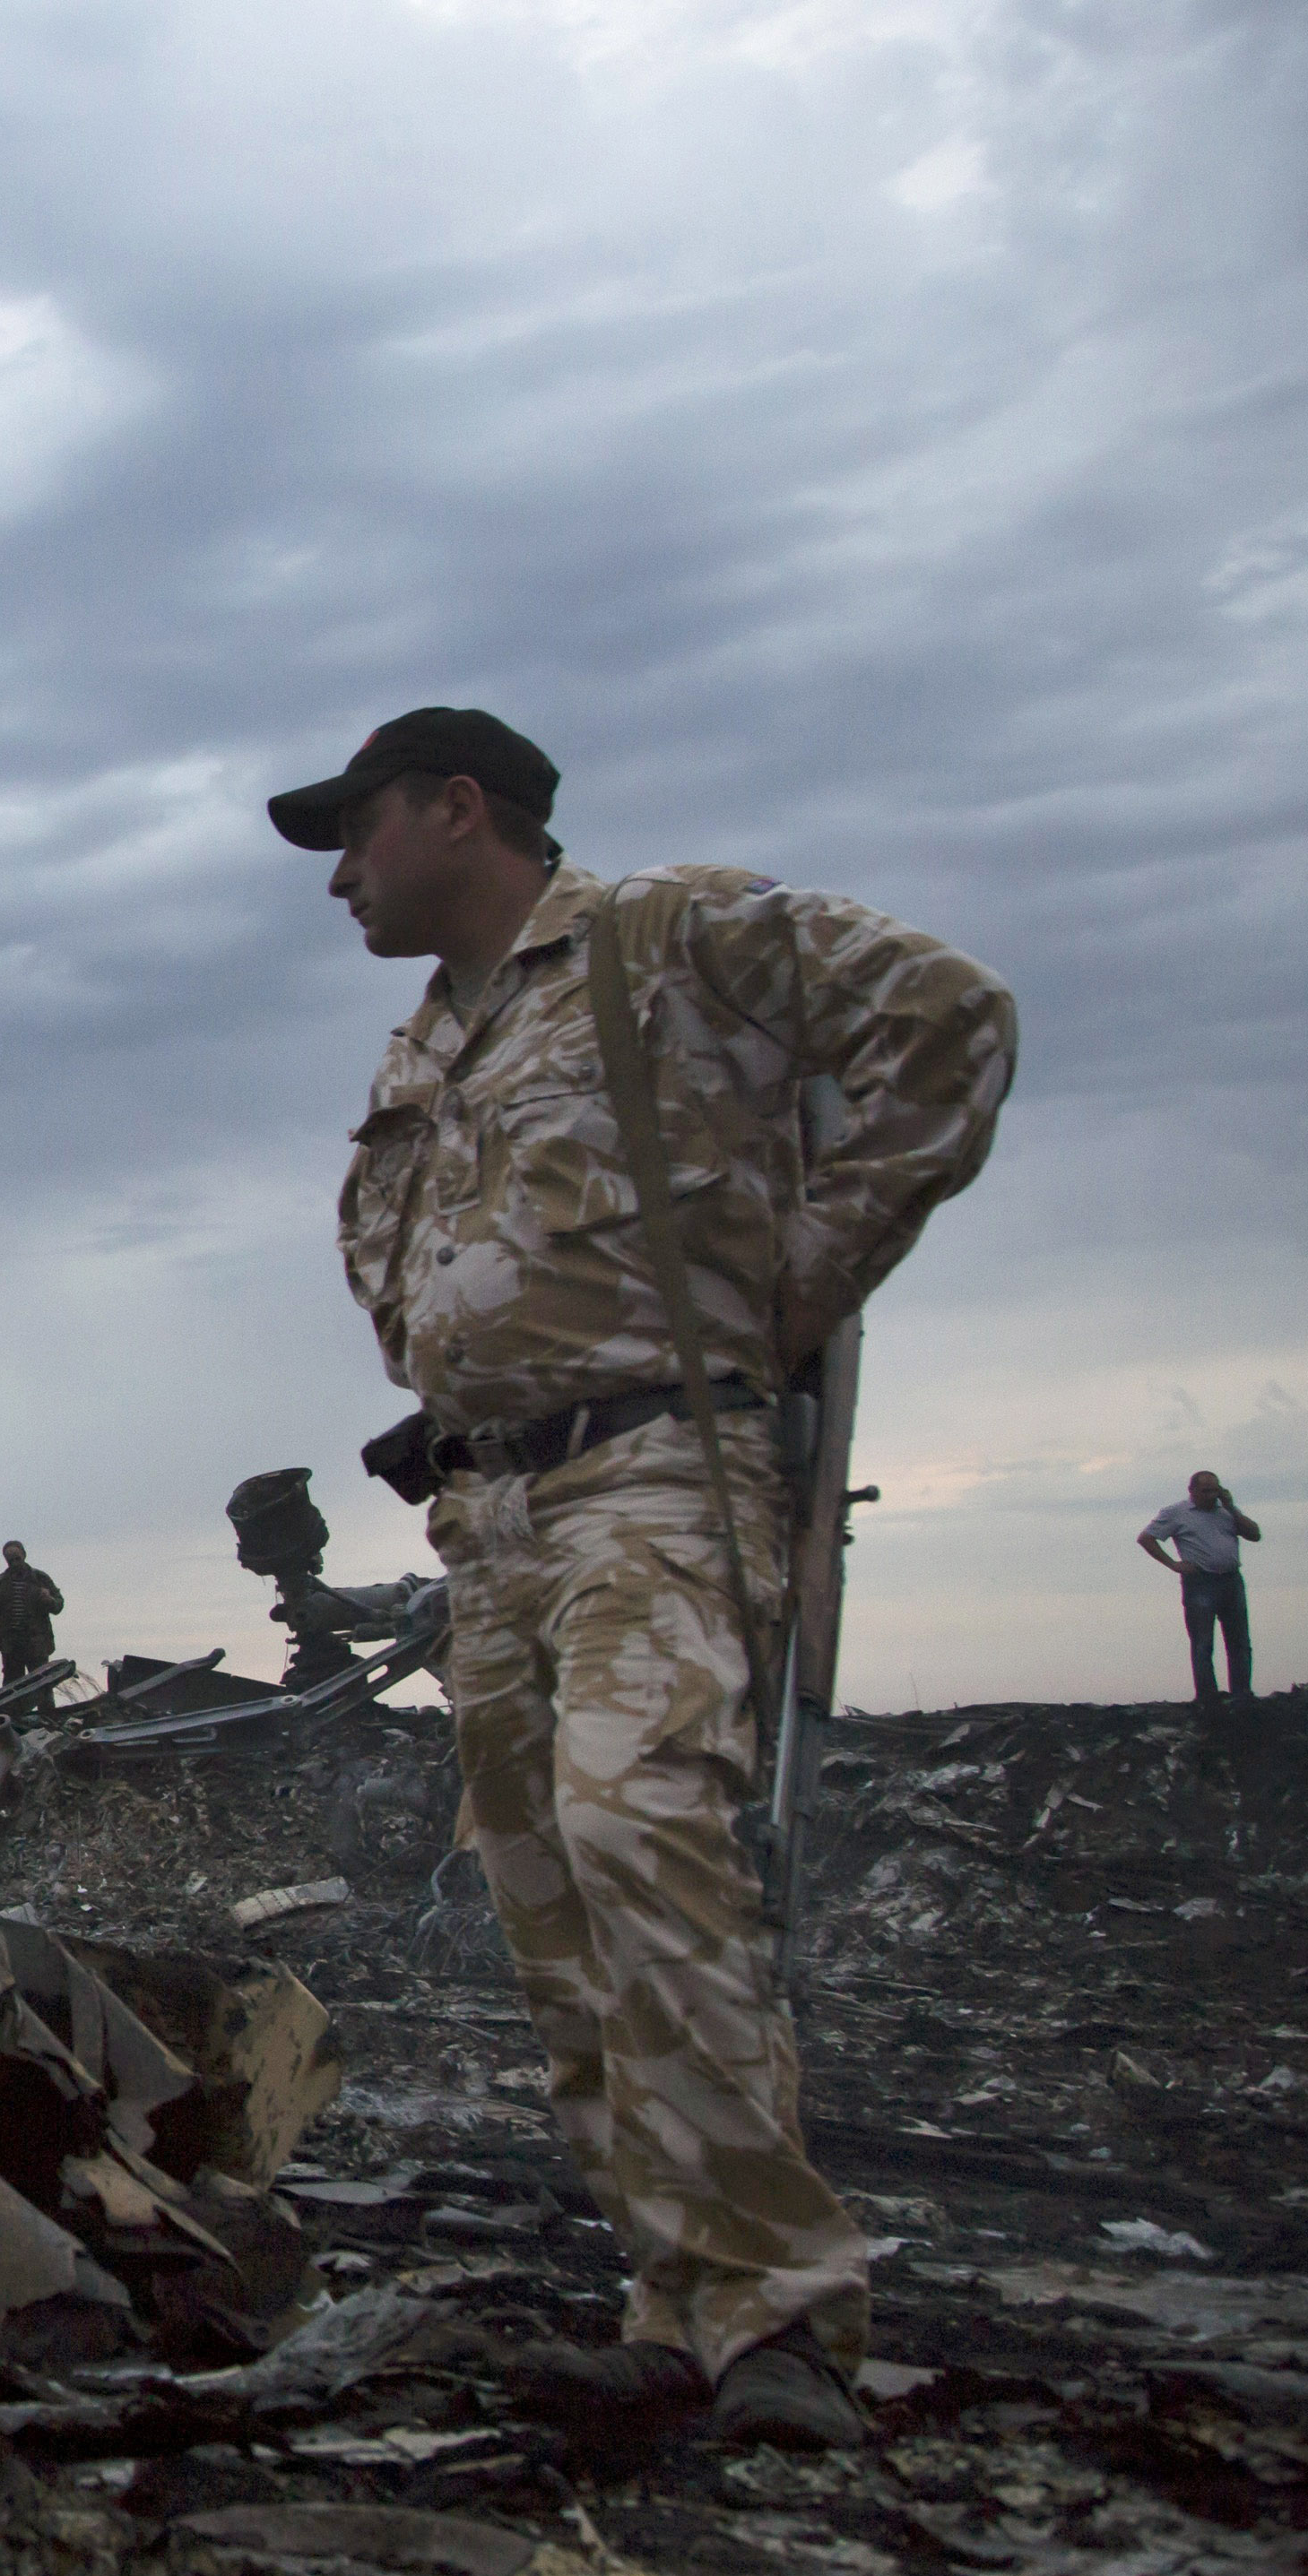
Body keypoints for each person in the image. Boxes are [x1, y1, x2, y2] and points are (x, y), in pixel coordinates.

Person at [280, 706, 1015, 2451]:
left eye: (359, 828)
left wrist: (795, 1284)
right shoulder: (428, 1044)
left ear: (460, 809)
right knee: (554, 1906)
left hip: (652, 1482)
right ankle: (675, 2300)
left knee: (645, 1842)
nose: (338, 870)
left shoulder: (667, 938)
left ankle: (778, 2316)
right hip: (495, 1520)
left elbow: (948, 1023)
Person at [1139, 1471, 1260, 1704]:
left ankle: (1242, 1694)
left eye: (1215, 1490)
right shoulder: (1176, 1513)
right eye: (1205, 1491)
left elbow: (1254, 1535)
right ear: (1192, 1491)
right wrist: (1173, 1564)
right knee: (1203, 1643)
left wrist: (1232, 1508)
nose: (1211, 1496)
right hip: (1200, 1582)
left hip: (1231, 1580)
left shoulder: (1226, 1512)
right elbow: (1146, 1538)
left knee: (1239, 1642)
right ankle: (1207, 1697)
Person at [0, 1542, 64, 1681]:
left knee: (43, 1684)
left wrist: (49, 1600)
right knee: (12, 1689)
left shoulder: (40, 1578)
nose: (15, 1564)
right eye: (11, 1561)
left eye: (18, 1559)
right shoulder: (0, 1582)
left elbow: (58, 1605)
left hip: (36, 1643)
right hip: (11, 1645)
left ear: (24, 1555)